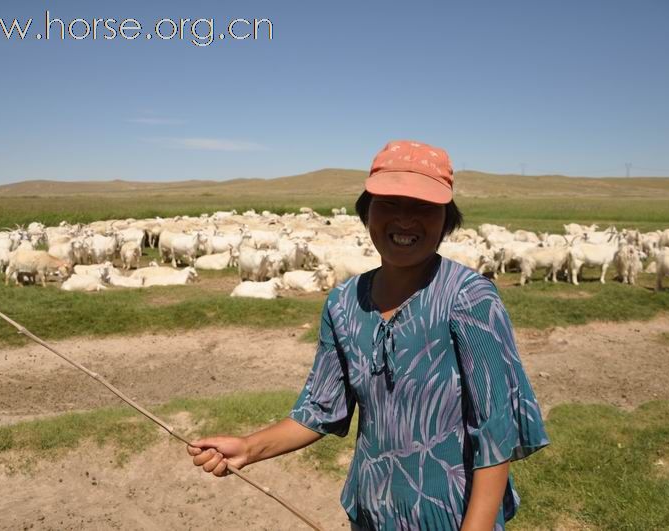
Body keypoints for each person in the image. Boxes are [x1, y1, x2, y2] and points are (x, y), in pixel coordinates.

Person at [188, 140, 549, 530]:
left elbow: (494, 434)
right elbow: (321, 409)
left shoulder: (469, 298)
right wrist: (248, 448)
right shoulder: (344, 303)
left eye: (424, 206)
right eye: (390, 203)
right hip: (372, 511)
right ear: (366, 211)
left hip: (451, 515)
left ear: (446, 219)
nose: (406, 220)